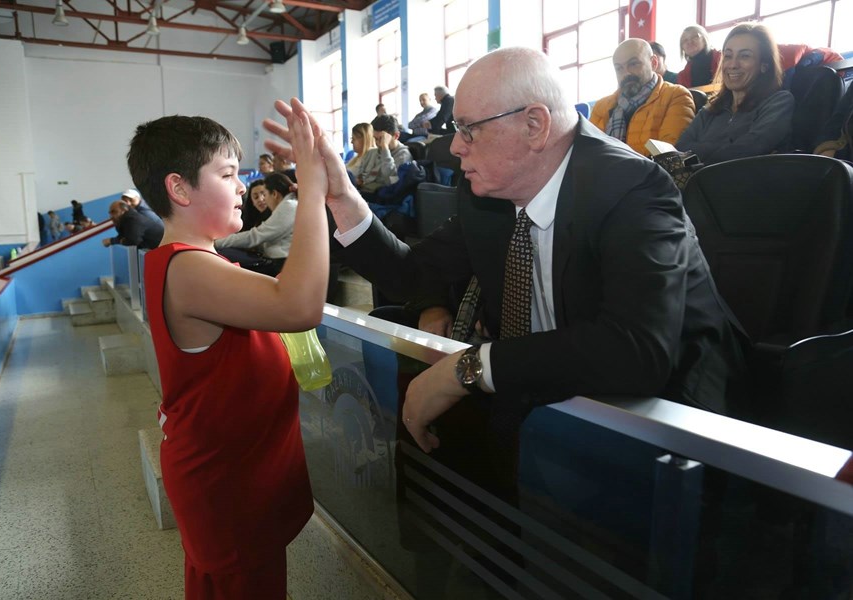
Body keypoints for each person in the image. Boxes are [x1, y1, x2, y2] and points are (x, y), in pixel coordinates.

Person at [264, 47, 747, 459]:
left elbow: (637, 352)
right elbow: (414, 275)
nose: (455, 147)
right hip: (547, 390)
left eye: (469, 129)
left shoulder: (631, 189)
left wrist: (471, 367)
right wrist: (342, 196)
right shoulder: (487, 193)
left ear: (535, 125)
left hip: (666, 421)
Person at [128, 108, 328, 599]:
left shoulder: (199, 261)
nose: (243, 187)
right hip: (226, 490)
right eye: (228, 174)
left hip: (235, 481)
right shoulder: (190, 269)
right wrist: (312, 189)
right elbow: (300, 305)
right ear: (180, 189)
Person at [677, 22, 794, 165]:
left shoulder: (779, 102)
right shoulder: (710, 108)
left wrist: (698, 151)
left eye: (744, 56)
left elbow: (749, 150)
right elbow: (680, 149)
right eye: (727, 56)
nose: (732, 64)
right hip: (698, 184)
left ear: (764, 65)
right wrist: (730, 147)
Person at [590, 39, 695, 156]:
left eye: (634, 64)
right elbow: (589, 153)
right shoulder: (601, 107)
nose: (626, 73)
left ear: (654, 63)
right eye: (619, 68)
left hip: (650, 173)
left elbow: (668, 155)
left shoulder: (676, 96)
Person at [215, 173, 298, 277]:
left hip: (279, 265)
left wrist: (217, 242)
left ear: (274, 194)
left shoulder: (289, 206)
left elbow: (255, 236)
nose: (263, 200)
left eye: (265, 195)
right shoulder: (291, 204)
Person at [370, 114, 413, 185]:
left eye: (382, 139)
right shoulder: (376, 152)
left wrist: (385, 148)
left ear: (396, 136)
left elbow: (390, 181)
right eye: (375, 138)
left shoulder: (403, 155)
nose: (377, 143)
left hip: (384, 193)